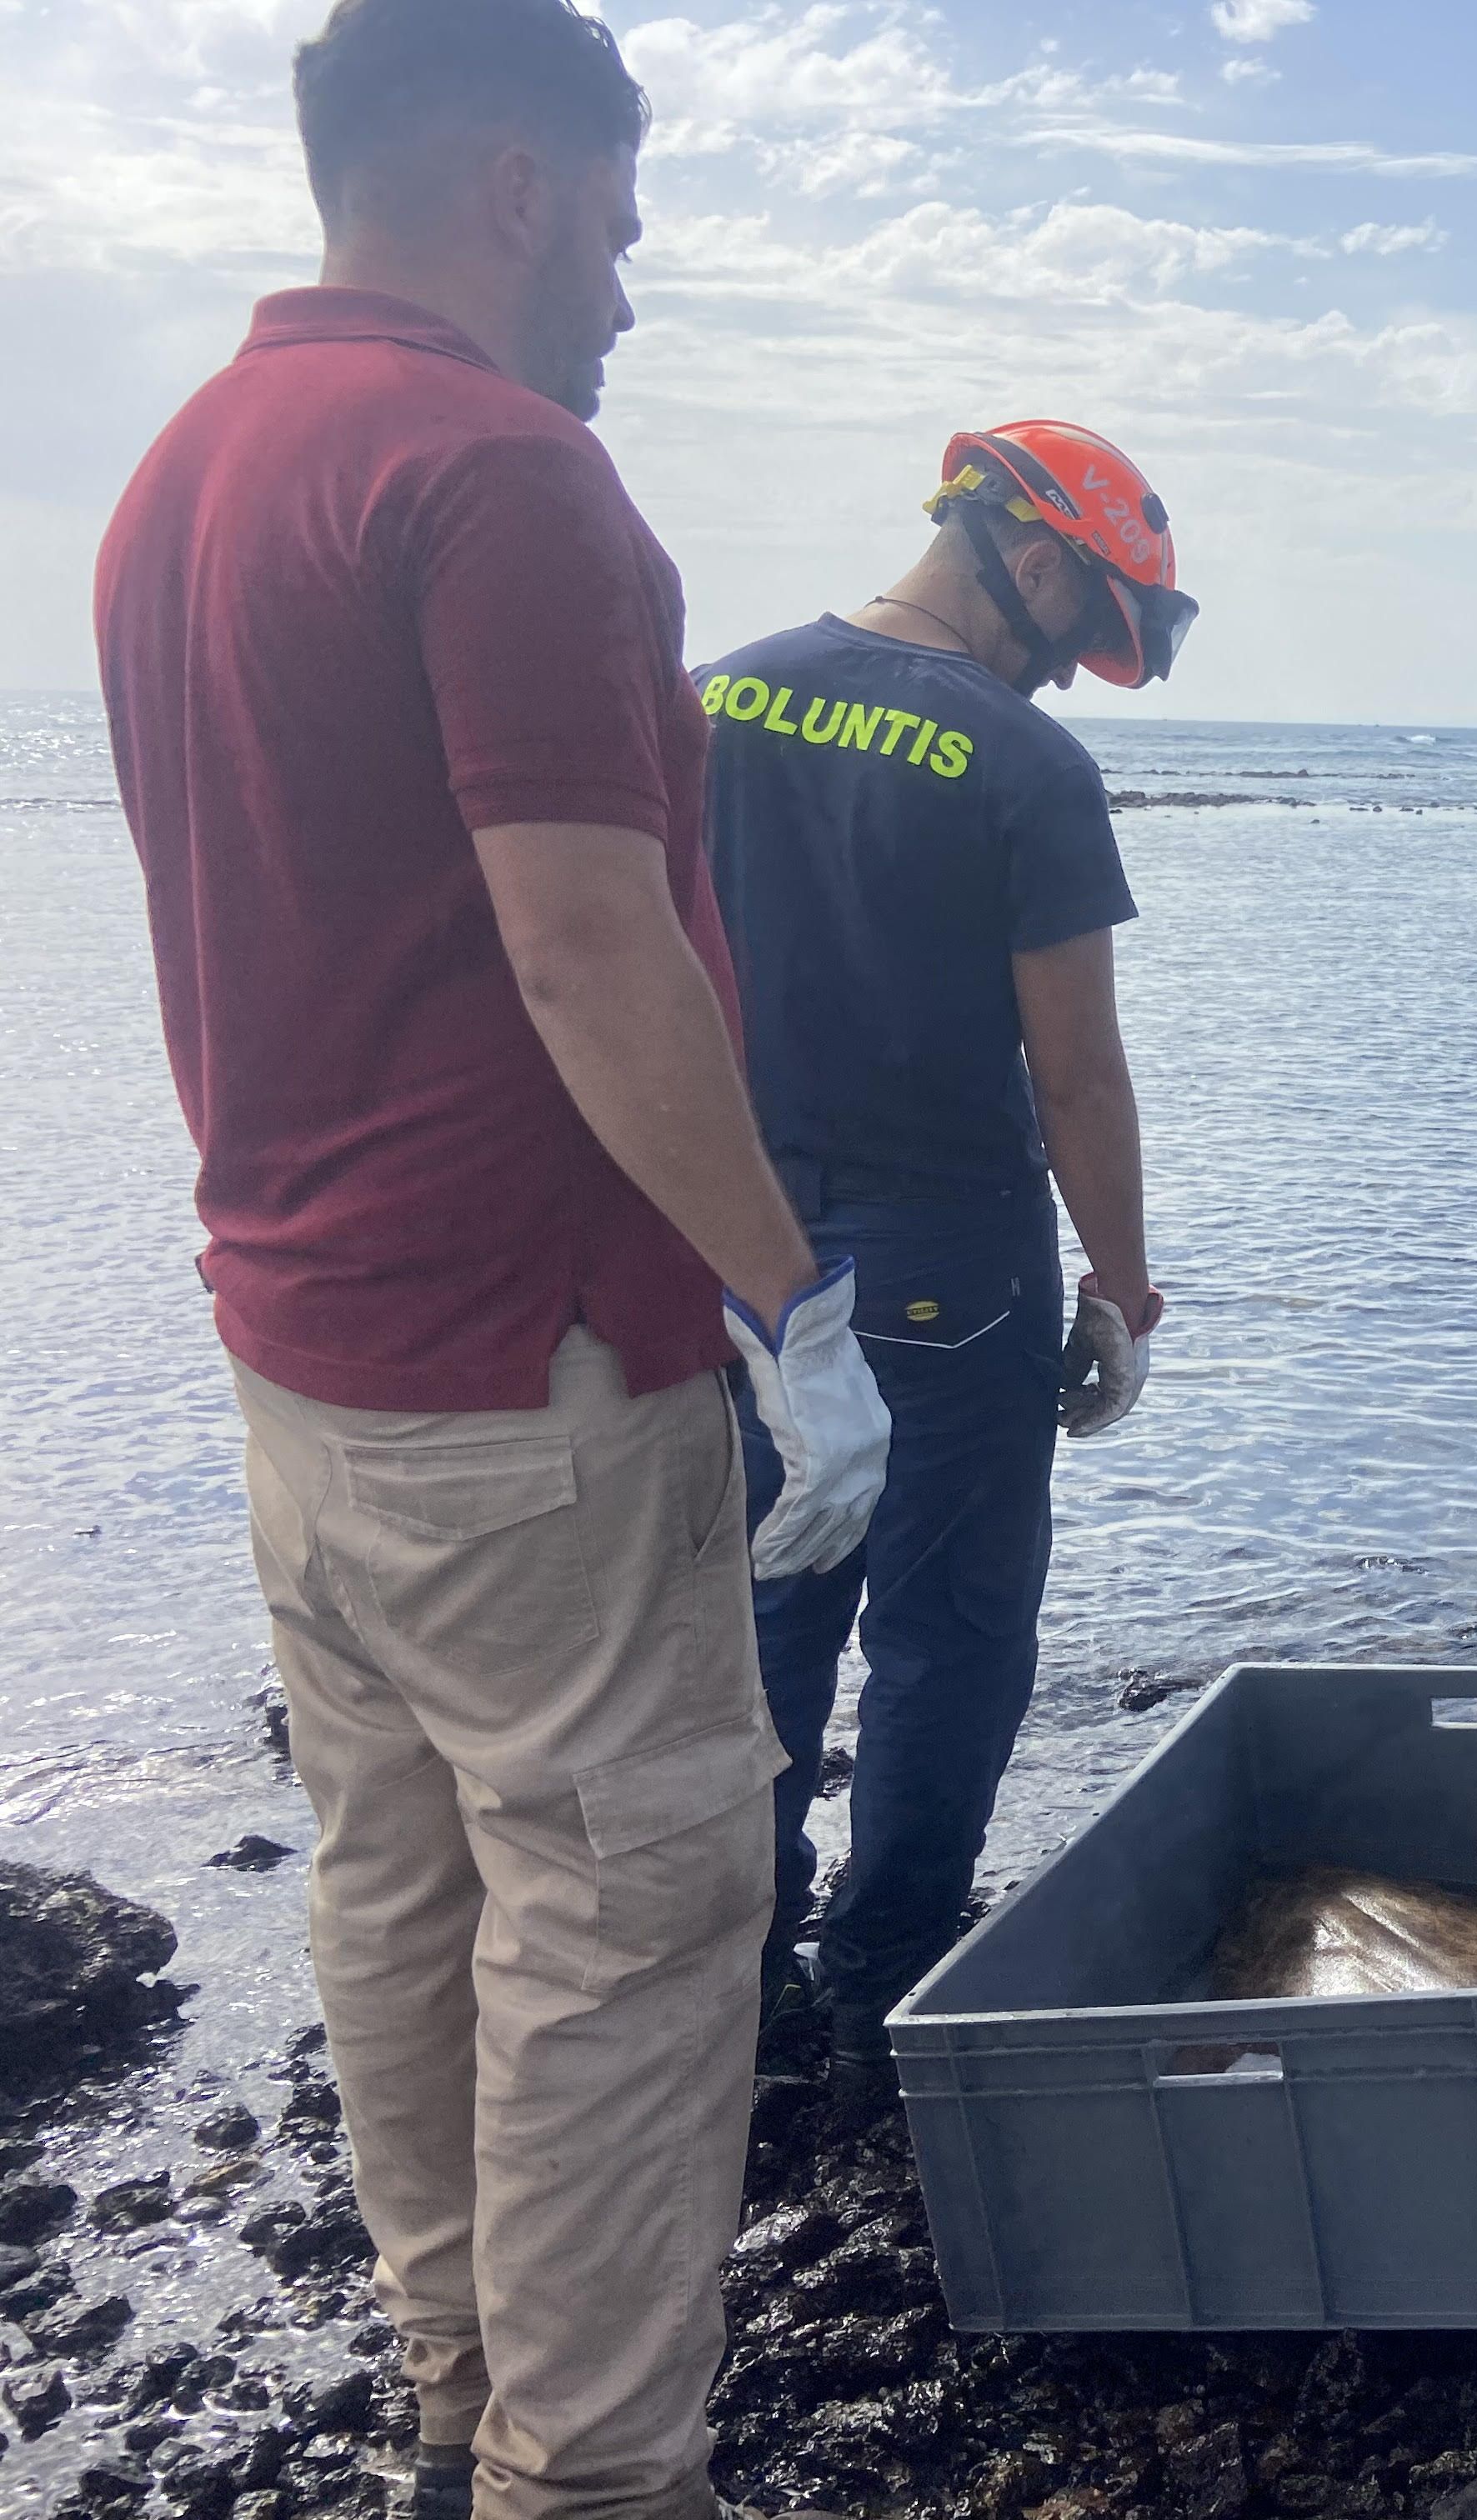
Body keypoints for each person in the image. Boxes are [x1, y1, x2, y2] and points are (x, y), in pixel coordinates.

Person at [93, 2, 894, 2514]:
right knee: (629, 1940)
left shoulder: (180, 475)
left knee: (407, 1896)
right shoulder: (501, 472)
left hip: (306, 1380)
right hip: (539, 1389)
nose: (636, 298)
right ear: (522, 185)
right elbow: (590, 948)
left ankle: (459, 2399)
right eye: (629, 228)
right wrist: (791, 1303)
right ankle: (586, 2474)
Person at [702, 422, 1184, 2091]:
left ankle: (735, 1973)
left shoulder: (717, 699)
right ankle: (888, 1966)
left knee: (759, 1612)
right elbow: (1077, 1073)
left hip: (734, 1236)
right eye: (1074, 631)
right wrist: (1118, 1288)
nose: (1059, 674)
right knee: (952, 1629)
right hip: (947, 1257)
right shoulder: (1020, 766)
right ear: (1033, 556)